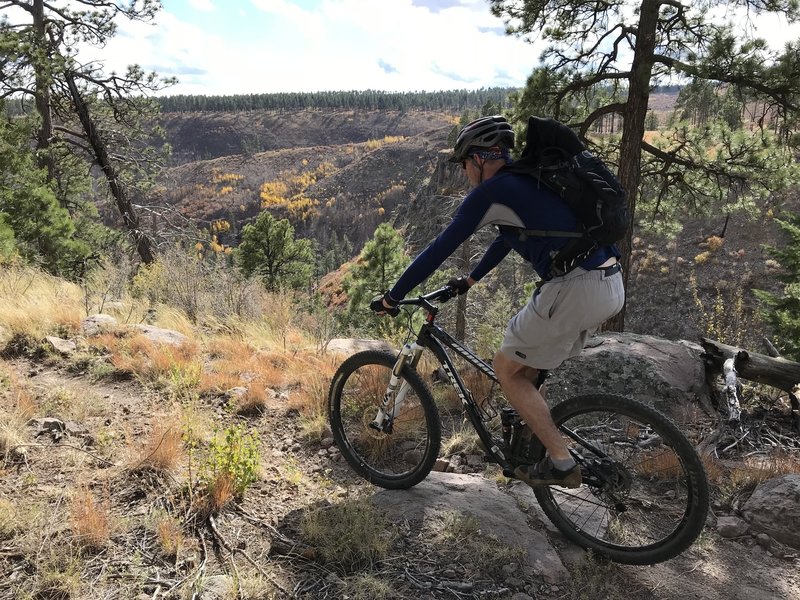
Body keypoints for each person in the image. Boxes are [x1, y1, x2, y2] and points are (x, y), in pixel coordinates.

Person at [369, 115, 625, 488]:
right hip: (609, 282)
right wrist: (471, 279)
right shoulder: (525, 179)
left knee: (506, 369)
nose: (463, 173)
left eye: (463, 164)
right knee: (529, 369)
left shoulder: (492, 191)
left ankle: (561, 462)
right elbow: (507, 238)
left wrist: (394, 295)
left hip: (574, 287)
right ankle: (531, 446)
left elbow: (441, 247)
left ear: (477, 159)